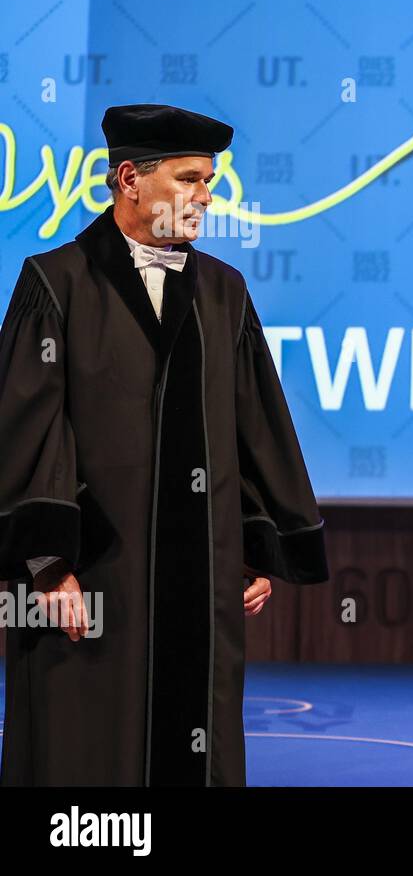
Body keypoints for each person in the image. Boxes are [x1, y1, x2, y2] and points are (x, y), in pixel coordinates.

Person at [0, 104, 328, 786]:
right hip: (94, 575)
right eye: (190, 179)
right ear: (129, 178)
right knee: (85, 750)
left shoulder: (223, 293)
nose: (207, 196)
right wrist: (47, 563)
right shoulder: (54, 284)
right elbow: (29, 427)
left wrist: (253, 542)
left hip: (199, 578)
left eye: (209, 180)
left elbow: (254, 428)